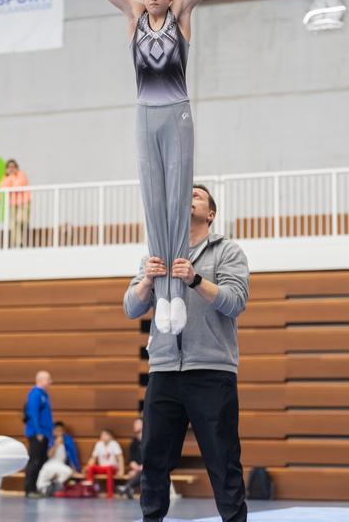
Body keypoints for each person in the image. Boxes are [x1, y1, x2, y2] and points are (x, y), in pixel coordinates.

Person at [87, 0, 226, 336]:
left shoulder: (181, 13)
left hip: (177, 112)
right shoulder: (132, 12)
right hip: (145, 115)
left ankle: (178, 293)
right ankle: (161, 293)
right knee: (152, 201)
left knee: (175, 201)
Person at [124, 185, 249, 522]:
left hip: (211, 371)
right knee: (154, 461)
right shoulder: (156, 252)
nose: (190, 196)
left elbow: (235, 302)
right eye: (188, 193)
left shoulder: (227, 251)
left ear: (210, 214)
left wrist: (195, 280)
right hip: (164, 370)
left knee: (223, 461)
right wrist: (147, 282)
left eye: (199, 196)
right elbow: (130, 307)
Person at [24, 370, 54, 498]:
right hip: (37, 434)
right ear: (41, 380)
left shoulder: (44, 395)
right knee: (35, 460)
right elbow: (33, 413)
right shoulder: (35, 394)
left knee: (41, 461)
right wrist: (38, 431)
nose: (51, 382)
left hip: (45, 434)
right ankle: (29, 489)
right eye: (48, 379)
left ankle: (34, 488)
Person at [36, 421, 81, 496]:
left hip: (61, 464)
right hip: (51, 463)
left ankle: (54, 486)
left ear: (63, 431)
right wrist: (56, 444)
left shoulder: (68, 440)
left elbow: (73, 456)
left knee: (68, 471)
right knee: (44, 471)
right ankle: (42, 488)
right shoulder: (51, 440)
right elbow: (50, 455)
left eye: (61, 430)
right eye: (56, 430)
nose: (59, 432)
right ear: (53, 431)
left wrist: (76, 468)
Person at [85, 429, 125, 499]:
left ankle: (110, 494)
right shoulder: (98, 444)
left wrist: (121, 471)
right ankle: (89, 491)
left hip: (112, 468)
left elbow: (120, 458)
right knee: (91, 468)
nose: (103, 437)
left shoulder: (114, 444)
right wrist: (87, 467)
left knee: (109, 469)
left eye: (105, 435)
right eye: (102, 435)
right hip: (102, 468)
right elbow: (93, 458)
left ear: (110, 436)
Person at [0, 159, 31, 248]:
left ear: (16, 167)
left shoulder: (21, 174)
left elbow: (18, 185)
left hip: (24, 202)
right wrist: (10, 176)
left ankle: (23, 240)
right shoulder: (5, 177)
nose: (11, 169)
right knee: (13, 224)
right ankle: (19, 243)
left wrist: (12, 176)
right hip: (12, 203)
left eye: (13, 167)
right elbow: (3, 186)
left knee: (21, 220)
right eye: (9, 167)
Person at [116, 417, 143, 499]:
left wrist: (143, 467)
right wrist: (135, 467)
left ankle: (126, 487)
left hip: (149, 467)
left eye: (137, 423)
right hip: (138, 469)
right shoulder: (133, 442)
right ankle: (128, 488)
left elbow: (154, 456)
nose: (135, 425)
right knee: (134, 473)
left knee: (144, 472)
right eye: (134, 424)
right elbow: (131, 459)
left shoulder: (150, 440)